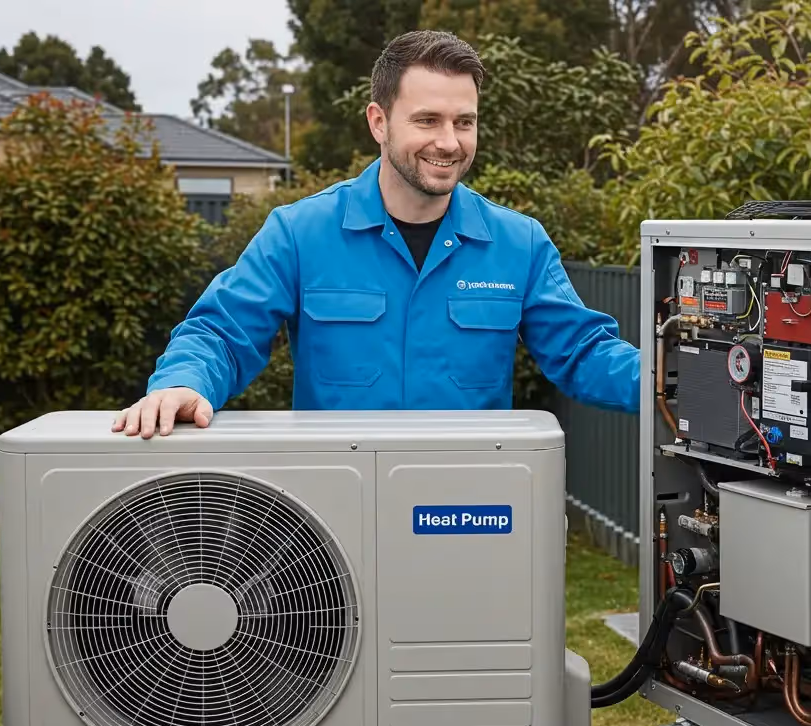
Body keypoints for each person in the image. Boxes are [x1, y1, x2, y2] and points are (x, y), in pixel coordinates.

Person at [113, 30, 640, 439]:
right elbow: (221, 333)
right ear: (379, 122)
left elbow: (584, 353)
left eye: (465, 122)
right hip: (332, 521)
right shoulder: (300, 233)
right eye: (428, 120)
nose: (449, 142)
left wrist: (680, 379)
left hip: (467, 514)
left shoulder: (518, 244)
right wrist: (184, 382)